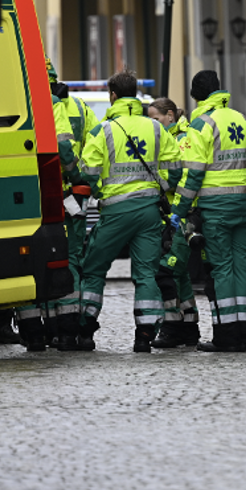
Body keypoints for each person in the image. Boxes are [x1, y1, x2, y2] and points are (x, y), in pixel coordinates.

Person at [73, 71, 180, 352]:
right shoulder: (156, 128)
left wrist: (100, 192)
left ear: (113, 96)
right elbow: (175, 168)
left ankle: (85, 330)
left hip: (116, 211)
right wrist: (160, 189)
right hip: (148, 211)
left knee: (93, 269)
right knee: (146, 273)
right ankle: (144, 335)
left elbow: (88, 170)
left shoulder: (102, 130)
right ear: (136, 94)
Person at [170, 70, 246, 352]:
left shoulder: (201, 124)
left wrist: (179, 211)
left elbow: (193, 175)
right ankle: (243, 335)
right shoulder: (243, 119)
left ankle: (225, 337)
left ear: (195, 95)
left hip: (216, 210)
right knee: (242, 270)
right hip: (244, 208)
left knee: (222, 270)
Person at [41, 60, 100, 351]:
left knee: (44, 257)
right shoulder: (80, 108)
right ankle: (70, 329)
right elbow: (92, 147)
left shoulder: (33, 103)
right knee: (72, 257)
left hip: (44, 194)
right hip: (73, 194)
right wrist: (81, 177)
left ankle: (47, 330)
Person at [146, 98, 203, 348]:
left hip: (184, 214)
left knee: (166, 272)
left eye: (155, 119)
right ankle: (189, 327)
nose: (152, 124)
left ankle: (172, 327)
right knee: (179, 274)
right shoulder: (162, 139)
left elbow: (186, 176)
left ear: (170, 115)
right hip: (169, 214)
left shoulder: (185, 138)